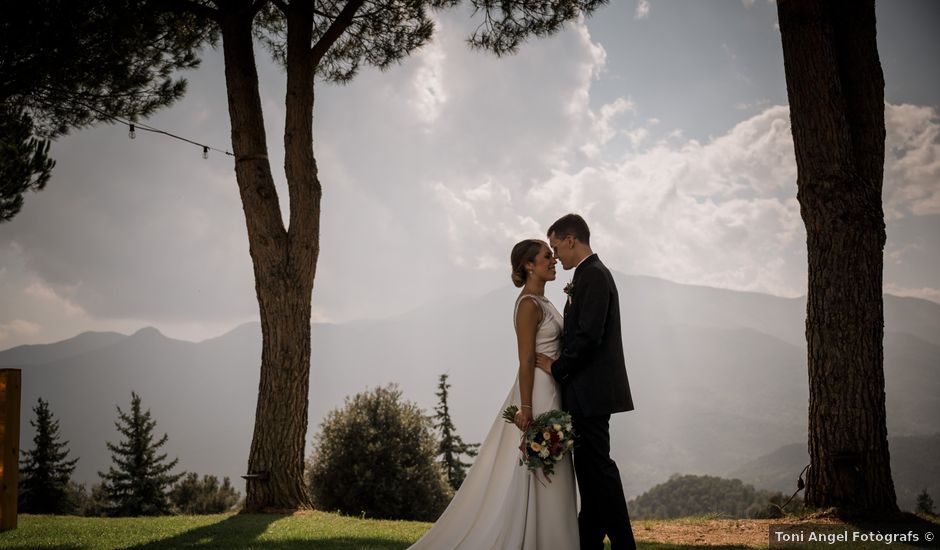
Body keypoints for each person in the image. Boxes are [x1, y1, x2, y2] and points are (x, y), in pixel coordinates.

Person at [408, 239, 578, 549]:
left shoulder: (546, 302)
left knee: (555, 464)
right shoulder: (528, 304)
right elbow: (526, 359)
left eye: (553, 256)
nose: (553, 261)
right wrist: (526, 407)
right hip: (539, 393)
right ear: (528, 265)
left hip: (553, 386)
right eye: (546, 257)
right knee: (545, 461)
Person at [535, 213, 637, 550]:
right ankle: (587, 543)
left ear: (570, 240)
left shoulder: (593, 275)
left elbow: (589, 337)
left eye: (555, 247)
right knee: (591, 477)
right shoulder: (588, 274)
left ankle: (625, 544)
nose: (555, 256)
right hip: (586, 393)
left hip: (591, 392)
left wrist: (557, 367)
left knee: (600, 471)